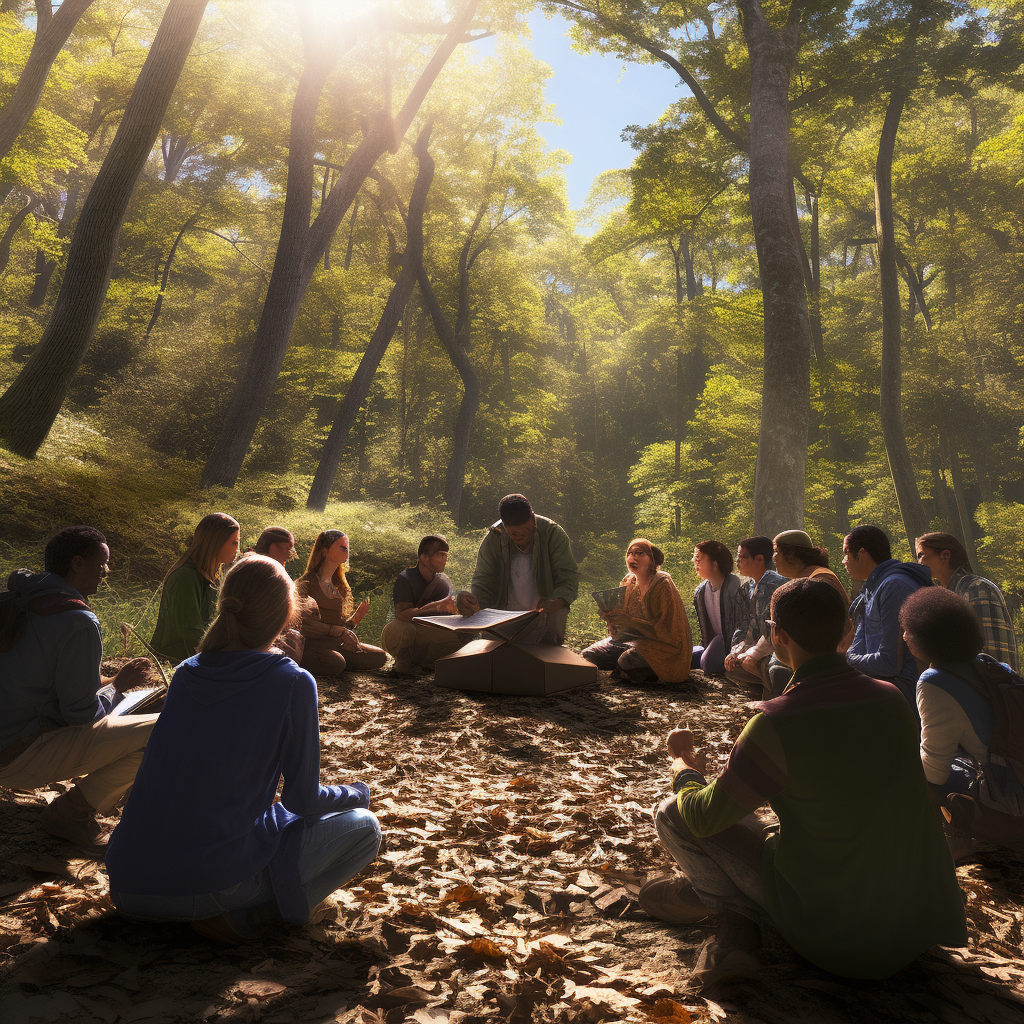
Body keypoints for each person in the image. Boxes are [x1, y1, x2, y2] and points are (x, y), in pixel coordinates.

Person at [640, 578, 966, 989]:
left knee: (674, 812)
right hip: (915, 923)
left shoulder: (776, 722)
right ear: (848, 632)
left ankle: (733, 918)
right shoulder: (891, 699)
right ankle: (710, 899)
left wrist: (682, 766)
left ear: (777, 635)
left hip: (838, 937)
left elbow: (704, 818)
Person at [106, 555, 380, 943]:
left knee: (271, 819)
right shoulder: (292, 681)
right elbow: (303, 799)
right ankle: (251, 916)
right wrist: (358, 793)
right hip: (202, 887)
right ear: (288, 616)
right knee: (365, 827)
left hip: (127, 885)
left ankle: (234, 904)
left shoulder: (187, 671)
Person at [0, 526, 157, 857]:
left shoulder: (19, 598)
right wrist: (116, 690)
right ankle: (71, 814)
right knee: (164, 729)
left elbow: (40, 682)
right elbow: (81, 715)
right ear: (77, 564)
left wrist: (112, 684)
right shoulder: (77, 620)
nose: (107, 572)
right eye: (103, 564)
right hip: (14, 757)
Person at [900, 586, 1024, 859]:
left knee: (920, 772)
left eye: (909, 629)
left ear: (928, 635)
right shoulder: (989, 665)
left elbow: (935, 770)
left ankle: (955, 845)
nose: (905, 636)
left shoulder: (934, 682)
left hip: (1012, 805)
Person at [457, 493, 580, 646]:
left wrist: (558, 600)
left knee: (548, 644)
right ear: (505, 527)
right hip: (503, 617)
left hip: (543, 618)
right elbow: (483, 579)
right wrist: (475, 605)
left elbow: (568, 578)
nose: (523, 536)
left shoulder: (552, 533)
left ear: (532, 518)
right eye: (515, 534)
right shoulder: (495, 537)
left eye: (529, 530)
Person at [581, 539, 693, 683]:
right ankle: (626, 670)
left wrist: (631, 621)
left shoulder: (662, 584)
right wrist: (611, 617)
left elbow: (667, 631)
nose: (632, 558)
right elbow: (621, 628)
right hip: (632, 642)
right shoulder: (628, 582)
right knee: (588, 655)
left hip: (663, 647)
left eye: (639, 553)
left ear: (651, 559)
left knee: (627, 661)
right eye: (629, 553)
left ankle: (631, 670)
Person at [843, 524, 931, 706]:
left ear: (862, 553)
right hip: (885, 688)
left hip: (906, 697)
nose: (844, 561)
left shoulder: (895, 586)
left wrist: (847, 660)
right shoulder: (872, 589)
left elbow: (889, 663)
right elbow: (858, 647)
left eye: (846, 553)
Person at [915, 532, 1019, 671]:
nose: (919, 562)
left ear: (945, 555)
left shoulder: (977, 588)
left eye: (921, 555)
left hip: (990, 687)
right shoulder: (949, 595)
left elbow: (992, 655)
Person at [767, 529, 853, 696]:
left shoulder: (819, 581)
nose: (774, 557)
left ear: (792, 555)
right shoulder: (808, 578)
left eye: (777, 551)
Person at [151, 513, 240, 663]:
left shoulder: (214, 576)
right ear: (216, 542)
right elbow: (191, 632)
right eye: (234, 543)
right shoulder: (185, 577)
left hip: (198, 659)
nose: (238, 549)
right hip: (174, 664)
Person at [296, 530, 387, 675]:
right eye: (342, 547)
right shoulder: (306, 583)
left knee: (379, 656)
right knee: (336, 662)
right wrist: (334, 631)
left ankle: (340, 660)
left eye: (347, 548)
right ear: (325, 551)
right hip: (313, 644)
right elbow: (302, 624)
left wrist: (355, 620)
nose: (347, 551)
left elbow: (341, 627)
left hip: (337, 644)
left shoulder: (340, 587)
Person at [380, 535, 465, 675]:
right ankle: (403, 665)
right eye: (440, 555)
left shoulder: (443, 582)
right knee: (406, 630)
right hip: (401, 633)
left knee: (461, 636)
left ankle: (426, 663)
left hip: (427, 634)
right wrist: (434, 607)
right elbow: (402, 615)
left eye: (445, 555)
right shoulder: (406, 578)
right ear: (424, 557)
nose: (444, 559)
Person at [723, 536, 786, 693]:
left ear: (759, 559)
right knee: (733, 665)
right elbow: (743, 623)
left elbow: (770, 626)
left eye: (743, 557)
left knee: (748, 663)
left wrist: (750, 651)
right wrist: (736, 649)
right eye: (738, 556)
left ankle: (776, 691)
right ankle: (759, 688)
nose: (738, 561)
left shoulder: (775, 584)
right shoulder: (746, 588)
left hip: (777, 647)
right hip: (754, 646)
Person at [690, 540, 748, 675]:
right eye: (695, 558)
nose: (695, 562)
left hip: (734, 645)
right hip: (715, 644)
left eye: (700, 559)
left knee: (709, 661)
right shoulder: (701, 591)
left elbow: (744, 624)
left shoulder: (736, 586)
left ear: (715, 562)